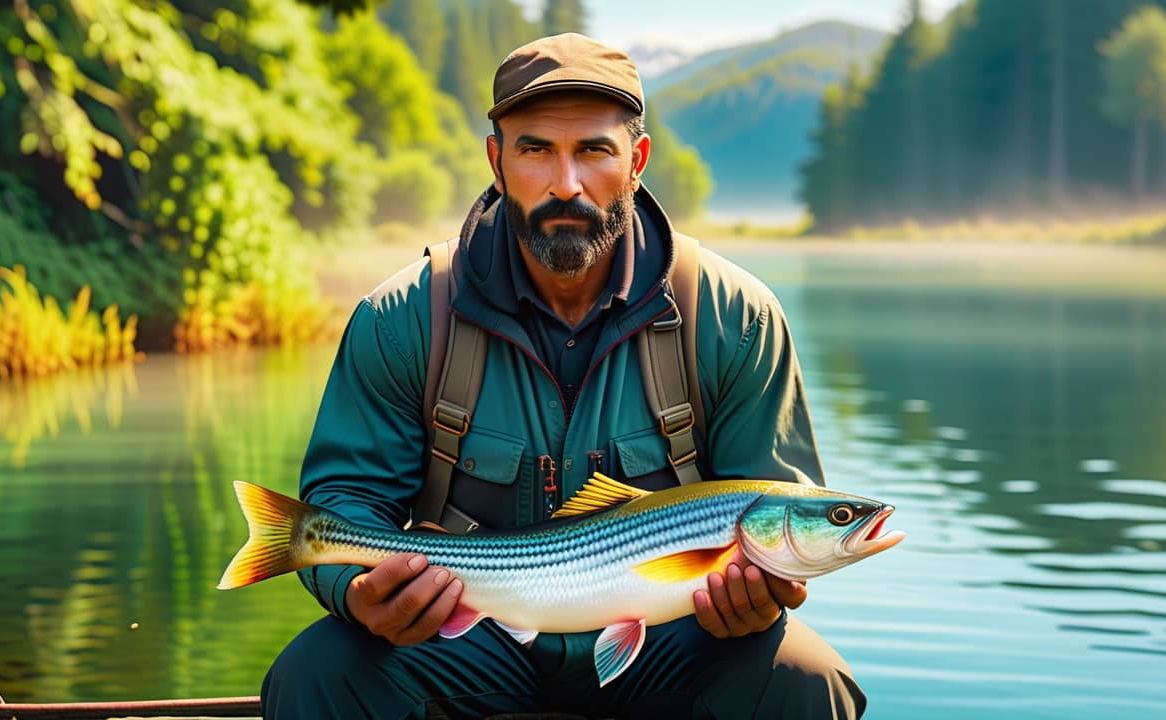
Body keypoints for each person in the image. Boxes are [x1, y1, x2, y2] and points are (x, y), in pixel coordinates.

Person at [261, 33, 866, 720]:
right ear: (496, 161)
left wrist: (757, 602)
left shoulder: (737, 318)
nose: (566, 185)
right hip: (466, 634)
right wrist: (357, 592)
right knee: (319, 670)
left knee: (804, 675)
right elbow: (347, 500)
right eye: (535, 149)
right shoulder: (402, 319)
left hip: (677, 638)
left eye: (594, 151)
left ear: (636, 160)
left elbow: (779, 505)